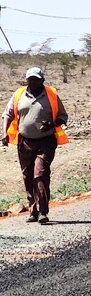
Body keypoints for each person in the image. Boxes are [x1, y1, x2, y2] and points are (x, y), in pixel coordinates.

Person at [1, 67, 69, 224]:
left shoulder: (51, 95)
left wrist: (52, 124)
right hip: (24, 142)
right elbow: (7, 114)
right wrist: (4, 134)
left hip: (46, 141)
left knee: (40, 174)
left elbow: (63, 117)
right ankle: (33, 210)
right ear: (26, 81)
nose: (33, 81)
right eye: (30, 79)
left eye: (36, 79)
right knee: (28, 175)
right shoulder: (19, 95)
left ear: (42, 80)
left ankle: (43, 212)